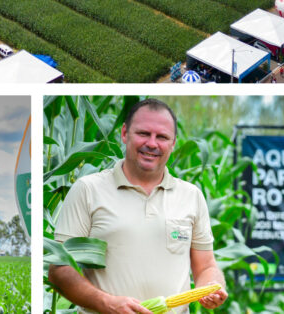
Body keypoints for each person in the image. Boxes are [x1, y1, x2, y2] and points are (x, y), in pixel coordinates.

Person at [48, 99, 228, 314]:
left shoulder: (191, 196)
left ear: (173, 143)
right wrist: (107, 303)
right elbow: (59, 270)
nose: (152, 143)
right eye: (143, 133)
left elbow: (206, 266)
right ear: (125, 133)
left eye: (162, 137)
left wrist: (211, 287)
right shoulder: (87, 189)